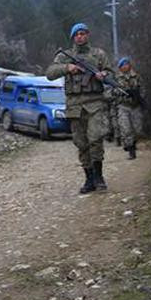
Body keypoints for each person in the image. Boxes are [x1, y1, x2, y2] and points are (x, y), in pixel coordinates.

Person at [46, 23, 113, 193]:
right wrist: (67, 68)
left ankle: (99, 177)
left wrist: (103, 75)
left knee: (95, 139)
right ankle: (89, 179)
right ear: (73, 37)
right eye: (77, 34)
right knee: (81, 143)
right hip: (75, 105)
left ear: (88, 35)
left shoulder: (98, 54)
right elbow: (50, 73)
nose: (80, 37)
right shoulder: (66, 56)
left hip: (95, 102)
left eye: (83, 33)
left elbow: (111, 73)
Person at [115, 57, 145, 160]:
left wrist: (139, 98)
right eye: (123, 65)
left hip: (135, 106)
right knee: (125, 128)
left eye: (127, 64)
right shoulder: (116, 78)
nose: (125, 66)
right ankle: (131, 150)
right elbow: (110, 92)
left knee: (138, 129)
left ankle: (133, 143)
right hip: (123, 106)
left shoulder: (136, 76)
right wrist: (120, 93)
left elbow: (142, 89)